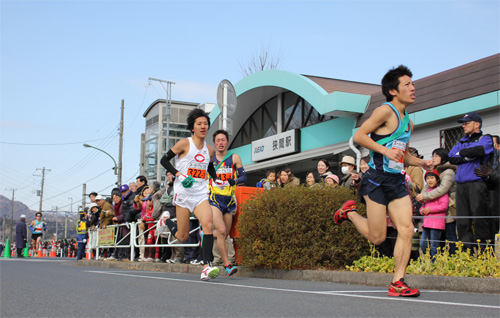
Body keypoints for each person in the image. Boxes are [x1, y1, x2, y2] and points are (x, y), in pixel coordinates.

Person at [334, 65, 433, 297]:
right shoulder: (384, 111)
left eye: (412, 83)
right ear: (393, 91)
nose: (413, 87)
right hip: (376, 180)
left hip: (396, 182)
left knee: (406, 229)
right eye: (407, 84)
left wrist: (421, 163)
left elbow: (405, 154)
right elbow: (358, 136)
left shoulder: (408, 122)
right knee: (377, 237)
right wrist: (384, 151)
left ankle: (397, 281)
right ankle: (349, 213)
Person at [160, 108, 222, 280]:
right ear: (192, 127)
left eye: (205, 124)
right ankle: (165, 221)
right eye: (199, 124)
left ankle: (207, 267)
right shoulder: (184, 144)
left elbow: (209, 166)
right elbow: (164, 160)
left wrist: (216, 179)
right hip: (183, 194)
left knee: (208, 224)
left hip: (200, 193)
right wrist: (178, 174)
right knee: (182, 235)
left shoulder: (209, 150)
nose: (203, 126)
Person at [448, 112, 494, 251]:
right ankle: (466, 254)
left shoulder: (485, 138)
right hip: (461, 185)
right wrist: (468, 155)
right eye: (463, 123)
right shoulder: (461, 141)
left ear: (477, 124)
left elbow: (480, 150)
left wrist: (462, 153)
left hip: (476, 183)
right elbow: (451, 157)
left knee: (479, 219)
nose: (464, 125)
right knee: (462, 221)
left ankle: (484, 253)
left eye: (467, 123)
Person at [208, 129, 247, 276]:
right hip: (214, 199)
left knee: (224, 234)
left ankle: (206, 234)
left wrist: (233, 181)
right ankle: (227, 264)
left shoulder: (235, 158)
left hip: (229, 200)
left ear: (227, 142)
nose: (220, 143)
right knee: (222, 231)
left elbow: (244, 178)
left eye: (223, 140)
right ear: (214, 143)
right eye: (217, 140)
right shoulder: (209, 159)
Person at [416, 148, 458, 255]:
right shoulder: (436, 171)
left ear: (443, 158)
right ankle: (442, 260)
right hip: (437, 213)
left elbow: (442, 190)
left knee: (450, 236)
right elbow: (426, 186)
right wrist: (420, 196)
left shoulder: (448, 171)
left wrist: (424, 196)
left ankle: (454, 258)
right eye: (432, 156)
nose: (433, 159)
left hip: (448, 210)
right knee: (439, 240)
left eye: (436, 156)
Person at [418, 169, 449, 260]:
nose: (430, 180)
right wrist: (422, 210)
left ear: (437, 179)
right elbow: (423, 205)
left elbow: (444, 206)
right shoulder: (427, 192)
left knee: (434, 244)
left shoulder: (441, 191)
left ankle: (434, 262)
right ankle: (430, 260)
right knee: (423, 244)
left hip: (437, 223)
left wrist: (429, 209)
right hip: (427, 222)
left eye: (432, 178)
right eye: (427, 178)